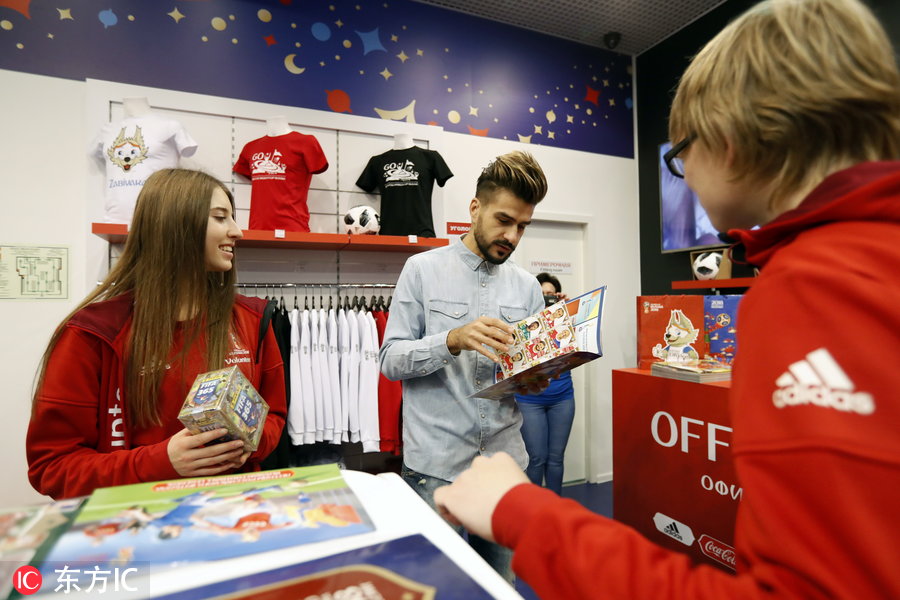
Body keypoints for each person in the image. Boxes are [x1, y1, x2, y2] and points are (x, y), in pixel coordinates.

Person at [433, 0, 900, 598]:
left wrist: (526, 515)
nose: (686, 181)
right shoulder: (845, 265)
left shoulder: (815, 287)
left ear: (726, 143)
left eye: (679, 156)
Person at [27, 169, 287, 500]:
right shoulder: (92, 334)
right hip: (136, 530)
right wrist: (161, 462)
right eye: (221, 218)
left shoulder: (252, 320)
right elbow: (52, 467)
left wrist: (247, 442)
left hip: (235, 517)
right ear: (175, 225)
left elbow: (274, 417)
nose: (236, 231)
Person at [379, 150, 548, 582]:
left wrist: (535, 376)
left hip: (505, 465)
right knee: (437, 588)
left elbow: (522, 372)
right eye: (504, 220)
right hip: (435, 467)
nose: (512, 235)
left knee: (501, 586)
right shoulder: (421, 270)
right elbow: (390, 361)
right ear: (475, 208)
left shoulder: (528, 286)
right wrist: (451, 340)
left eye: (523, 226)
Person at [514, 273, 574, 495]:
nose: (546, 298)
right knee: (536, 458)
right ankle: (534, 512)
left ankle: (555, 510)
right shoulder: (522, 321)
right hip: (529, 399)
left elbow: (576, 348)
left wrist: (566, 312)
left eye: (550, 294)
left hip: (562, 397)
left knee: (556, 458)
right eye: (541, 294)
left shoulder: (565, 319)